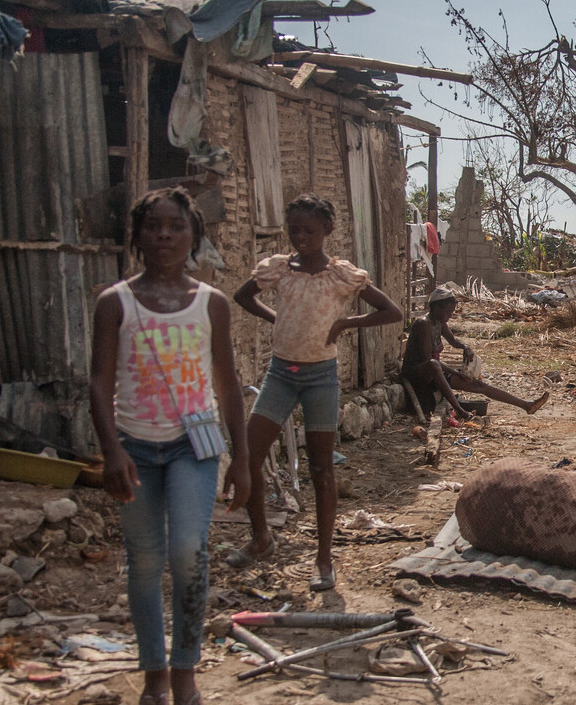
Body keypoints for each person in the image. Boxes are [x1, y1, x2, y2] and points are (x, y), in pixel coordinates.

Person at [89, 188, 250, 705]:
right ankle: (153, 673)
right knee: (144, 562)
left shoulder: (213, 303)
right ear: (137, 236)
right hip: (134, 446)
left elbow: (227, 384)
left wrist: (244, 461)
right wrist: (111, 450)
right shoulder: (115, 302)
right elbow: (99, 381)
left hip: (194, 446)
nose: (163, 235)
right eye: (153, 226)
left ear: (193, 236)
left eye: (175, 227)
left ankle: (186, 670)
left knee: (188, 551)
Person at [231, 194, 401, 591]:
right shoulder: (279, 270)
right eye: (294, 230)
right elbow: (243, 297)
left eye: (309, 230)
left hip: (321, 377)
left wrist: (344, 325)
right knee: (249, 456)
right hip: (280, 374)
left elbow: (390, 311)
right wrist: (278, 319)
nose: (300, 237)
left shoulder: (341, 276)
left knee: (321, 469)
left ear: (327, 230)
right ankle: (261, 538)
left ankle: (324, 560)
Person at [403, 287, 550, 423]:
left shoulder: (440, 322)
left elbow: (453, 340)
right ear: (436, 308)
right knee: (435, 365)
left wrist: (466, 347)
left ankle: (526, 405)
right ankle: (461, 411)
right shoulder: (424, 324)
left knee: (479, 385)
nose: (450, 315)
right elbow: (428, 360)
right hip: (417, 373)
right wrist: (455, 372)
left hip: (434, 373)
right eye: (448, 311)